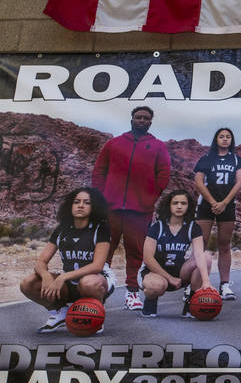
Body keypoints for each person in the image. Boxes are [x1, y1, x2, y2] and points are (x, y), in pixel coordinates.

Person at [92, 106, 171, 311]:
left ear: (151, 122)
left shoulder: (158, 146)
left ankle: (132, 293)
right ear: (132, 119)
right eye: (138, 117)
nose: (142, 120)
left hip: (139, 210)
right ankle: (99, 293)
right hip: (111, 207)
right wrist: (100, 197)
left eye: (146, 118)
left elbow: (163, 175)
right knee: (103, 251)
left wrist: (149, 197)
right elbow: (100, 171)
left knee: (136, 252)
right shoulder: (114, 144)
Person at [19, 187, 115, 334]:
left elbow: (97, 265)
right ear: (70, 205)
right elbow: (41, 261)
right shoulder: (62, 229)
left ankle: (95, 312)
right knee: (28, 282)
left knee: (88, 283)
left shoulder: (100, 229)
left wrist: (62, 277)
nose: (80, 205)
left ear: (94, 206)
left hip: (98, 281)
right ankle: (59, 312)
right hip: (71, 282)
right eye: (77, 202)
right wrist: (46, 276)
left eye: (86, 202)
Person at [139, 189, 214, 317]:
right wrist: (169, 278)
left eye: (183, 203)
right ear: (169, 205)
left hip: (179, 273)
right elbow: (148, 258)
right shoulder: (157, 227)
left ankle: (191, 302)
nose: (179, 206)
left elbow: (199, 255)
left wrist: (206, 281)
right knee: (155, 286)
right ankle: (150, 301)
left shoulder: (193, 227)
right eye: (175, 203)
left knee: (206, 257)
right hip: (155, 273)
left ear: (188, 206)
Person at [193, 127, 241, 301]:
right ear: (216, 139)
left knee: (224, 244)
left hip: (227, 205)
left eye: (228, 136)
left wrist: (223, 203)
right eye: (221, 136)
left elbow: (239, 183)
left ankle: (225, 285)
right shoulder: (207, 158)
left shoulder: (236, 159)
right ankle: (195, 284)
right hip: (206, 205)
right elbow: (198, 181)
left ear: (232, 140)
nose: (224, 139)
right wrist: (213, 202)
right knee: (201, 244)